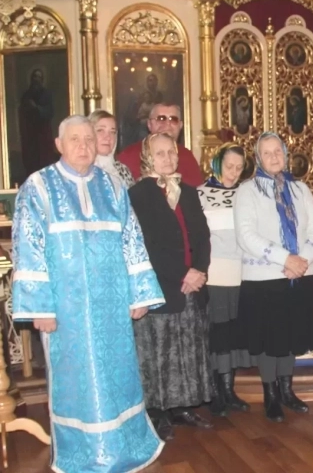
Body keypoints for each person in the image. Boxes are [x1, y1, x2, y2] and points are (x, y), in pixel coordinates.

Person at [12, 115, 165, 472]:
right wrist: (41, 308)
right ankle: (83, 453)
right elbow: (28, 249)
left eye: (88, 139)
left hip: (112, 306)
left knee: (118, 373)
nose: (83, 146)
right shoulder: (38, 187)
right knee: (75, 379)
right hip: (66, 309)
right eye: (75, 140)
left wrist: (139, 294)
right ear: (59, 145)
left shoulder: (112, 186)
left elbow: (131, 240)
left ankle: (125, 445)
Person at [234, 132, 313, 422]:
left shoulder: (301, 190)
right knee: (268, 339)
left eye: (278, 151)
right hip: (264, 278)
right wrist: (285, 259)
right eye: (267, 152)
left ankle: (287, 390)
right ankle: (270, 393)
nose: (274, 157)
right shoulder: (246, 192)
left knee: (290, 335)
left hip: (299, 275)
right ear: (258, 158)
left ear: (286, 154)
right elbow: (246, 235)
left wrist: (301, 261)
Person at [129, 133, 214, 440]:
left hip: (193, 286)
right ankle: (158, 412)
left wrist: (200, 270)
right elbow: (147, 245)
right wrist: (184, 274)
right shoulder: (138, 194)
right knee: (160, 352)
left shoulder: (189, 192)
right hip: (161, 286)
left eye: (171, 153)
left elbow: (202, 236)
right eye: (160, 153)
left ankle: (181, 407)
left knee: (187, 349)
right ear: (147, 158)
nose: (167, 158)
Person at [197, 143, 251, 416]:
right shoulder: (201, 195)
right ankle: (217, 391)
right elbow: (197, 238)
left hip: (242, 274)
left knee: (233, 334)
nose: (233, 172)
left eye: (239, 167)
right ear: (217, 164)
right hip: (215, 274)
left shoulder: (247, 194)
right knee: (217, 334)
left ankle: (230, 389)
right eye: (229, 166)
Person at [118, 103, 205, 186]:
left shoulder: (187, 156)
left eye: (173, 119)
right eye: (161, 119)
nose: (167, 124)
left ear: (180, 125)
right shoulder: (128, 156)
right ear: (149, 124)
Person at [19, 68, 57, 179]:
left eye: (39, 77)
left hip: (43, 133)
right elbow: (22, 112)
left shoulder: (46, 94)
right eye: (35, 77)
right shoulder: (27, 95)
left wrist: (36, 108)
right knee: (31, 160)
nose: (36, 80)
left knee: (44, 158)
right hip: (30, 133)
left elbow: (49, 112)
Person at [89, 110, 135, 189]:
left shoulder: (122, 170)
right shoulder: (81, 170)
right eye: (100, 130)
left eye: (112, 132)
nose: (108, 137)